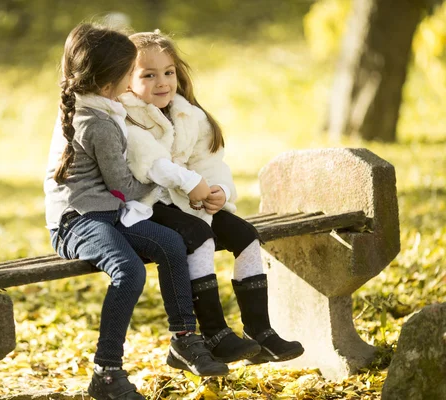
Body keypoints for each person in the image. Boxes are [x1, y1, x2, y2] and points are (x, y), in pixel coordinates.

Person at [44, 24, 228, 400]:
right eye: (131, 72)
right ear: (110, 80)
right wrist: (175, 184)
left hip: (109, 215)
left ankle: (183, 338)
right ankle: (106, 372)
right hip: (76, 222)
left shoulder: (103, 108)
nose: (134, 80)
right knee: (128, 271)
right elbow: (123, 186)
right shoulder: (95, 122)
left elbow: (119, 190)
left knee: (172, 244)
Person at [117, 30, 305, 365]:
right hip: (149, 206)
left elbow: (209, 164)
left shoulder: (189, 115)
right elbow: (152, 167)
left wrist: (220, 191)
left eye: (168, 72)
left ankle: (259, 330)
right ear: (127, 81)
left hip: (192, 200)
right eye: (148, 75)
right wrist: (193, 186)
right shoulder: (127, 118)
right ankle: (214, 332)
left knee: (246, 235)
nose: (162, 82)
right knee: (199, 237)